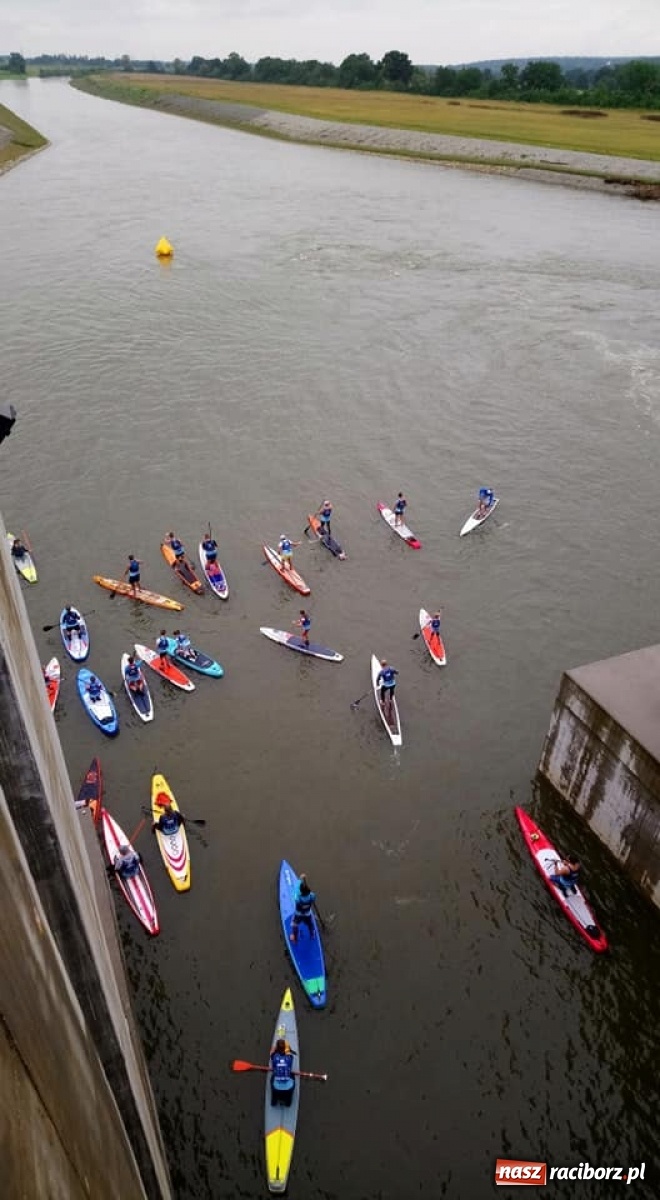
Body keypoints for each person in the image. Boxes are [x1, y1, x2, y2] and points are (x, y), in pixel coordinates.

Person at [290, 873, 317, 944]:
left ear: (301, 891)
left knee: (294, 925)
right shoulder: (312, 896)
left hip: (298, 915)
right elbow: (310, 893)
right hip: (308, 914)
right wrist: (304, 880)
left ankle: (295, 939)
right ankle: (312, 934)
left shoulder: (298, 898)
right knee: (310, 924)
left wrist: (300, 880)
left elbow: (295, 891)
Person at [269, 1037, 295, 1107]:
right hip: (289, 1087)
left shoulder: (274, 1057)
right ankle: (288, 1103)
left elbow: (271, 1053)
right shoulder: (290, 1058)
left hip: (276, 1087)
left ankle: (274, 1101)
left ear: (277, 1049)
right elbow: (290, 1053)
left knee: (272, 1078)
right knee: (292, 1075)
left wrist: (274, 1049)